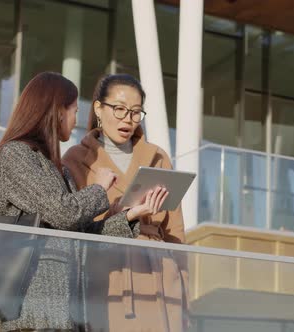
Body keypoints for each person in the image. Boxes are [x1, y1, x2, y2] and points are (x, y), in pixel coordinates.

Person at [0, 72, 168, 331]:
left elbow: (85, 238)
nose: (76, 121)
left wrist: (131, 215)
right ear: (57, 112)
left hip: (68, 311)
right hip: (33, 312)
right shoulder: (16, 154)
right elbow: (62, 212)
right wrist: (99, 189)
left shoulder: (58, 169)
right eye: (74, 110)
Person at [63, 74, 189, 332]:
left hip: (159, 278)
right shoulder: (75, 159)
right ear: (98, 108)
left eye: (135, 112)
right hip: (107, 277)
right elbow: (73, 226)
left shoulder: (157, 156)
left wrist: (183, 290)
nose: (128, 120)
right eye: (119, 109)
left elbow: (175, 232)